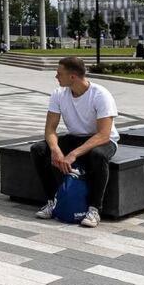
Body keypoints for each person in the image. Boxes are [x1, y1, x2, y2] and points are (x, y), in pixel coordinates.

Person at [29, 56, 118, 228]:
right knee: (38, 149)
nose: (56, 77)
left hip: (102, 139)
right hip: (76, 137)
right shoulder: (58, 94)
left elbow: (104, 135)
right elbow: (50, 130)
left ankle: (94, 209)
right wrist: (55, 149)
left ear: (73, 77)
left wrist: (72, 154)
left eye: (59, 74)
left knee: (98, 155)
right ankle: (52, 201)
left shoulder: (100, 95)